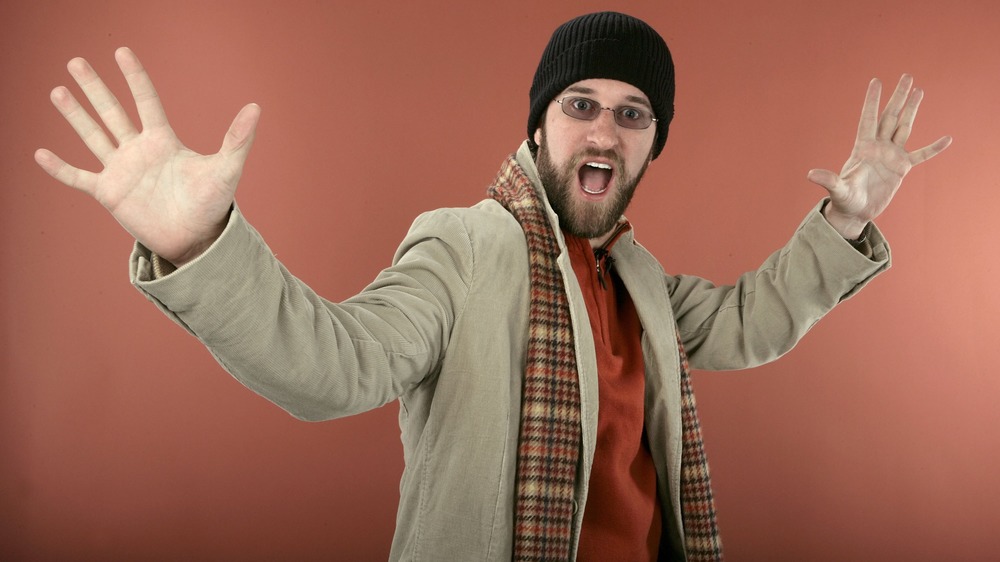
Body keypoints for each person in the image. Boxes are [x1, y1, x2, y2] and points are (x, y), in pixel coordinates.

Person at [35, 11, 950, 562]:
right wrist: (201, 241)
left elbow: (753, 321)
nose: (605, 131)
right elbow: (337, 366)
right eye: (580, 105)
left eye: (633, 115)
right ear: (542, 126)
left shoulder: (638, 276)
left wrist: (844, 221)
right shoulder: (465, 246)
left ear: (651, 146)